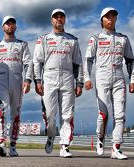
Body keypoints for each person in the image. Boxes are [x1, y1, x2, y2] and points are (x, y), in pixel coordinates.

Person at [84, 7, 134, 160]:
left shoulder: (123, 38)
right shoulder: (96, 38)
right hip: (102, 76)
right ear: (102, 20)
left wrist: (132, 80)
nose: (110, 19)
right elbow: (88, 60)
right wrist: (87, 78)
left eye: (113, 16)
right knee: (104, 113)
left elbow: (130, 60)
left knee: (120, 115)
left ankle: (116, 147)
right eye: (107, 16)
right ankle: (100, 138)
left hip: (119, 76)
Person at [33, 8, 84, 158]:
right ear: (52, 20)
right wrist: (38, 80)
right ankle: (51, 135)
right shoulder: (43, 39)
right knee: (50, 114)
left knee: (67, 115)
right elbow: (37, 62)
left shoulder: (72, 40)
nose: (59, 19)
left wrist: (79, 82)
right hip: (49, 76)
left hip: (68, 77)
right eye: (56, 17)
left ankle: (65, 146)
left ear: (65, 20)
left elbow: (78, 63)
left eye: (62, 17)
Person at [0, 15, 33, 157]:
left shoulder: (22, 44)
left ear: (15, 26)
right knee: (1, 112)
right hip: (0, 82)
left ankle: (13, 145)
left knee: (16, 114)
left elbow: (28, 63)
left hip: (17, 81)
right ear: (2, 27)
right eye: (7, 23)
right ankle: (1, 142)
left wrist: (28, 80)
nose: (10, 25)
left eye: (12, 23)